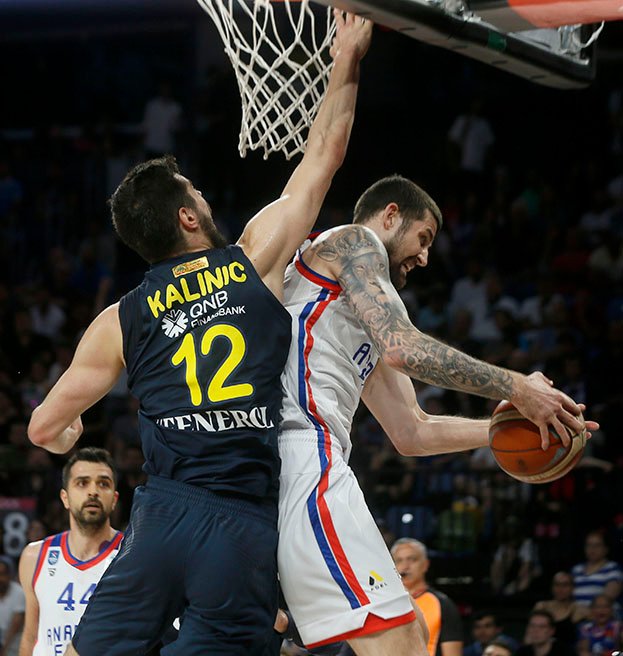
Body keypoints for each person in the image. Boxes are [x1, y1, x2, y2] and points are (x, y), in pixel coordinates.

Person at [27, 12, 373, 656]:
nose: (207, 199)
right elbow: (324, 153)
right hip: (240, 524)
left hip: (161, 518)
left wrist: (72, 433)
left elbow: (44, 430)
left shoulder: (119, 319)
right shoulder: (253, 259)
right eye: (198, 193)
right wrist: (347, 57)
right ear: (188, 215)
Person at [276, 174, 597, 654]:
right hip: (303, 451)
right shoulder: (354, 240)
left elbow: (413, 431)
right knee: (402, 638)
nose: (425, 256)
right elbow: (405, 348)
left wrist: (505, 429)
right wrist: (518, 387)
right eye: (422, 237)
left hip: (279, 460)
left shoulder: (351, 312)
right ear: (389, 215)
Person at [18, 448, 121, 656]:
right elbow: (30, 638)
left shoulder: (133, 555)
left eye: (103, 484)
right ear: (64, 497)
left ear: (114, 499)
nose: (93, 491)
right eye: (82, 483)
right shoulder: (35, 556)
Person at [391, 538, 463, 656]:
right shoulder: (385, 605)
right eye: (399, 561)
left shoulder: (442, 604)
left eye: (412, 559)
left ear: (425, 565)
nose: (405, 566)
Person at [533, 571, 589, 648]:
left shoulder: (580, 609)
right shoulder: (542, 606)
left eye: (565, 585)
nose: (560, 589)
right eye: (557, 585)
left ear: (572, 588)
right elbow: (530, 635)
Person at [572, 530, 623, 609]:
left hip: (603, 616)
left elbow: (606, 600)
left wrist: (586, 612)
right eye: (589, 545)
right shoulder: (576, 570)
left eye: (597, 545)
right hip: (578, 616)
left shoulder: (613, 568)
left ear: (606, 549)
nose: (592, 549)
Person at [0, 556, 25, 656]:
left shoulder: (19, 592)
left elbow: (16, 624)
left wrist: (3, 650)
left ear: (10, 575)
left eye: (2, 574)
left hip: (13, 645)